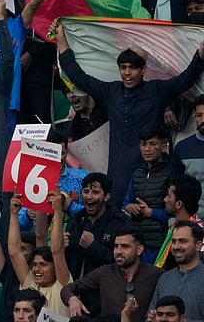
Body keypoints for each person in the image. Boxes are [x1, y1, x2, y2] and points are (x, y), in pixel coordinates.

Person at [55, 22, 204, 207]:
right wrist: (61, 40)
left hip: (153, 175)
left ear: (143, 70)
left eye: (132, 68)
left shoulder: (156, 90)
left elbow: (185, 80)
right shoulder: (111, 92)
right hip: (118, 177)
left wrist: (200, 55)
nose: (127, 73)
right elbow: (78, 77)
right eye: (123, 67)